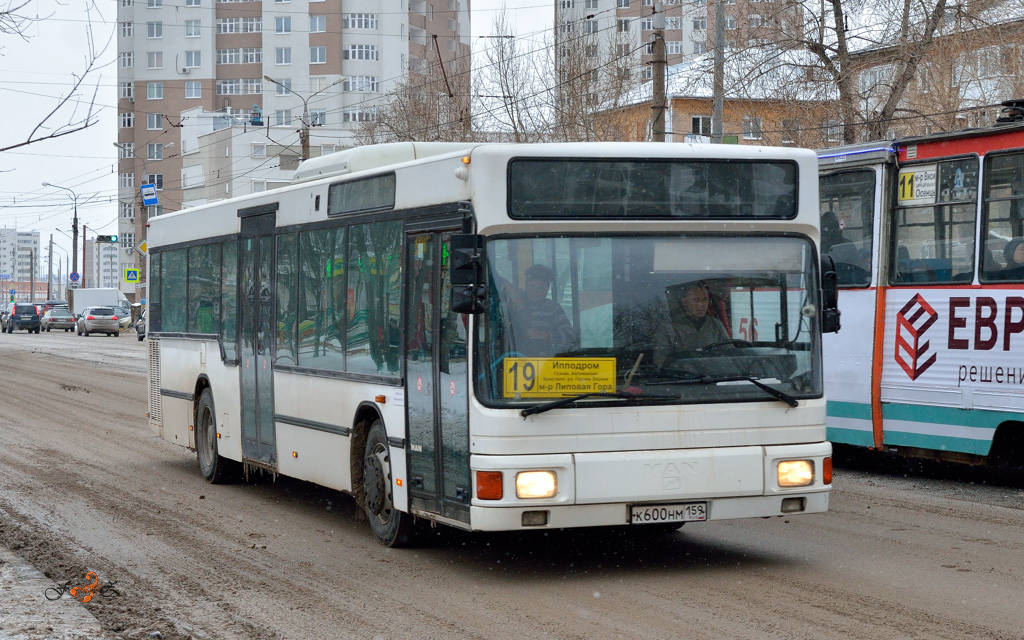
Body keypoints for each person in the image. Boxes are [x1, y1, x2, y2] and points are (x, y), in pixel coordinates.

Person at [654, 280, 732, 367]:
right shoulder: (669, 329)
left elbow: (730, 354)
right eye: (696, 300)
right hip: (682, 377)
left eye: (704, 299)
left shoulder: (716, 325)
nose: (701, 304)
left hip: (714, 375)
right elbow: (661, 362)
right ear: (684, 302)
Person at [504, 264, 576, 357]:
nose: (535, 291)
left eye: (540, 288)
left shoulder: (553, 308)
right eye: (532, 286)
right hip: (512, 359)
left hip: (544, 363)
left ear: (547, 289)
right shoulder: (513, 303)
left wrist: (545, 336)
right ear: (526, 286)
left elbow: (570, 336)